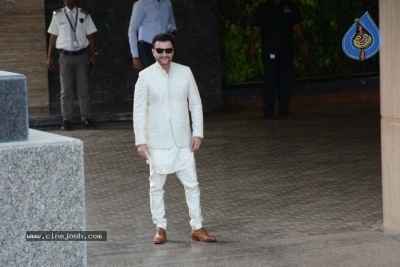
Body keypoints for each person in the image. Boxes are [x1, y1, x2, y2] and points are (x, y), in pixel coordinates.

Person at [133, 33, 216, 244]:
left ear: (173, 52)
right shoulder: (144, 76)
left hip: (183, 141)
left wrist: (197, 133)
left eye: (168, 50)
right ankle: (160, 228)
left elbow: (195, 104)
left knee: (192, 185)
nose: (164, 54)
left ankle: (197, 227)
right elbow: (139, 111)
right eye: (159, 50)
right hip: (156, 143)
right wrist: (140, 141)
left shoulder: (185, 72)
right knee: (156, 187)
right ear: (153, 52)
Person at [249, 0, 308, 120]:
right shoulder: (263, 8)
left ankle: (284, 110)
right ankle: (268, 112)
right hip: (270, 51)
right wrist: (252, 46)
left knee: (285, 81)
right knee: (270, 81)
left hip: (286, 50)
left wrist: (303, 43)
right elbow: (256, 28)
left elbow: (296, 25)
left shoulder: (289, 6)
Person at [47, 0, 98, 131]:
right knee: (65, 90)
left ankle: (86, 118)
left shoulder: (84, 14)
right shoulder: (58, 15)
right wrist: (49, 57)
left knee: (84, 89)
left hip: (81, 56)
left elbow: (90, 35)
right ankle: (67, 119)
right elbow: (53, 36)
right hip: (65, 57)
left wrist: (94, 55)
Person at [128, 0, 177, 71]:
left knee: (165, 73)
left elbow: (171, 23)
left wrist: (173, 31)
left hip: (164, 46)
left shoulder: (167, 3)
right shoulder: (141, 4)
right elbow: (132, 30)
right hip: (147, 46)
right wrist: (135, 56)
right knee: (153, 74)